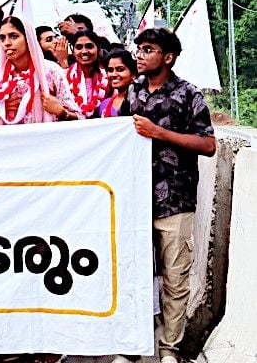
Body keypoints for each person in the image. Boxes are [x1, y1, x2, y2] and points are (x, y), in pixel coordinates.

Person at [113, 28, 216, 363]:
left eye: (148, 49)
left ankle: (169, 348)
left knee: (175, 278)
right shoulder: (133, 91)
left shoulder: (188, 94)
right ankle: (133, 347)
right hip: (136, 200)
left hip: (176, 200)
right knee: (135, 276)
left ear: (168, 57)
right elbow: (118, 135)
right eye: (139, 49)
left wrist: (159, 133)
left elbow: (208, 144)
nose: (140, 55)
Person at [0, 16, 80, 125]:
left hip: (45, 135)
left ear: (28, 38)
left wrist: (61, 112)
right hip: (8, 135)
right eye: (2, 38)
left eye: (13, 36)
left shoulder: (51, 70)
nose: (6, 43)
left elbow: (78, 118)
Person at [66, 30, 109, 118]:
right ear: (73, 51)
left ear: (98, 49)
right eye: (79, 47)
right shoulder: (64, 77)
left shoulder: (109, 77)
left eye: (89, 46)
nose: (84, 51)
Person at [97, 48, 137, 117]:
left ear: (133, 74)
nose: (114, 74)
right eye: (110, 70)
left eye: (120, 69)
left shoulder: (140, 102)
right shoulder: (104, 105)